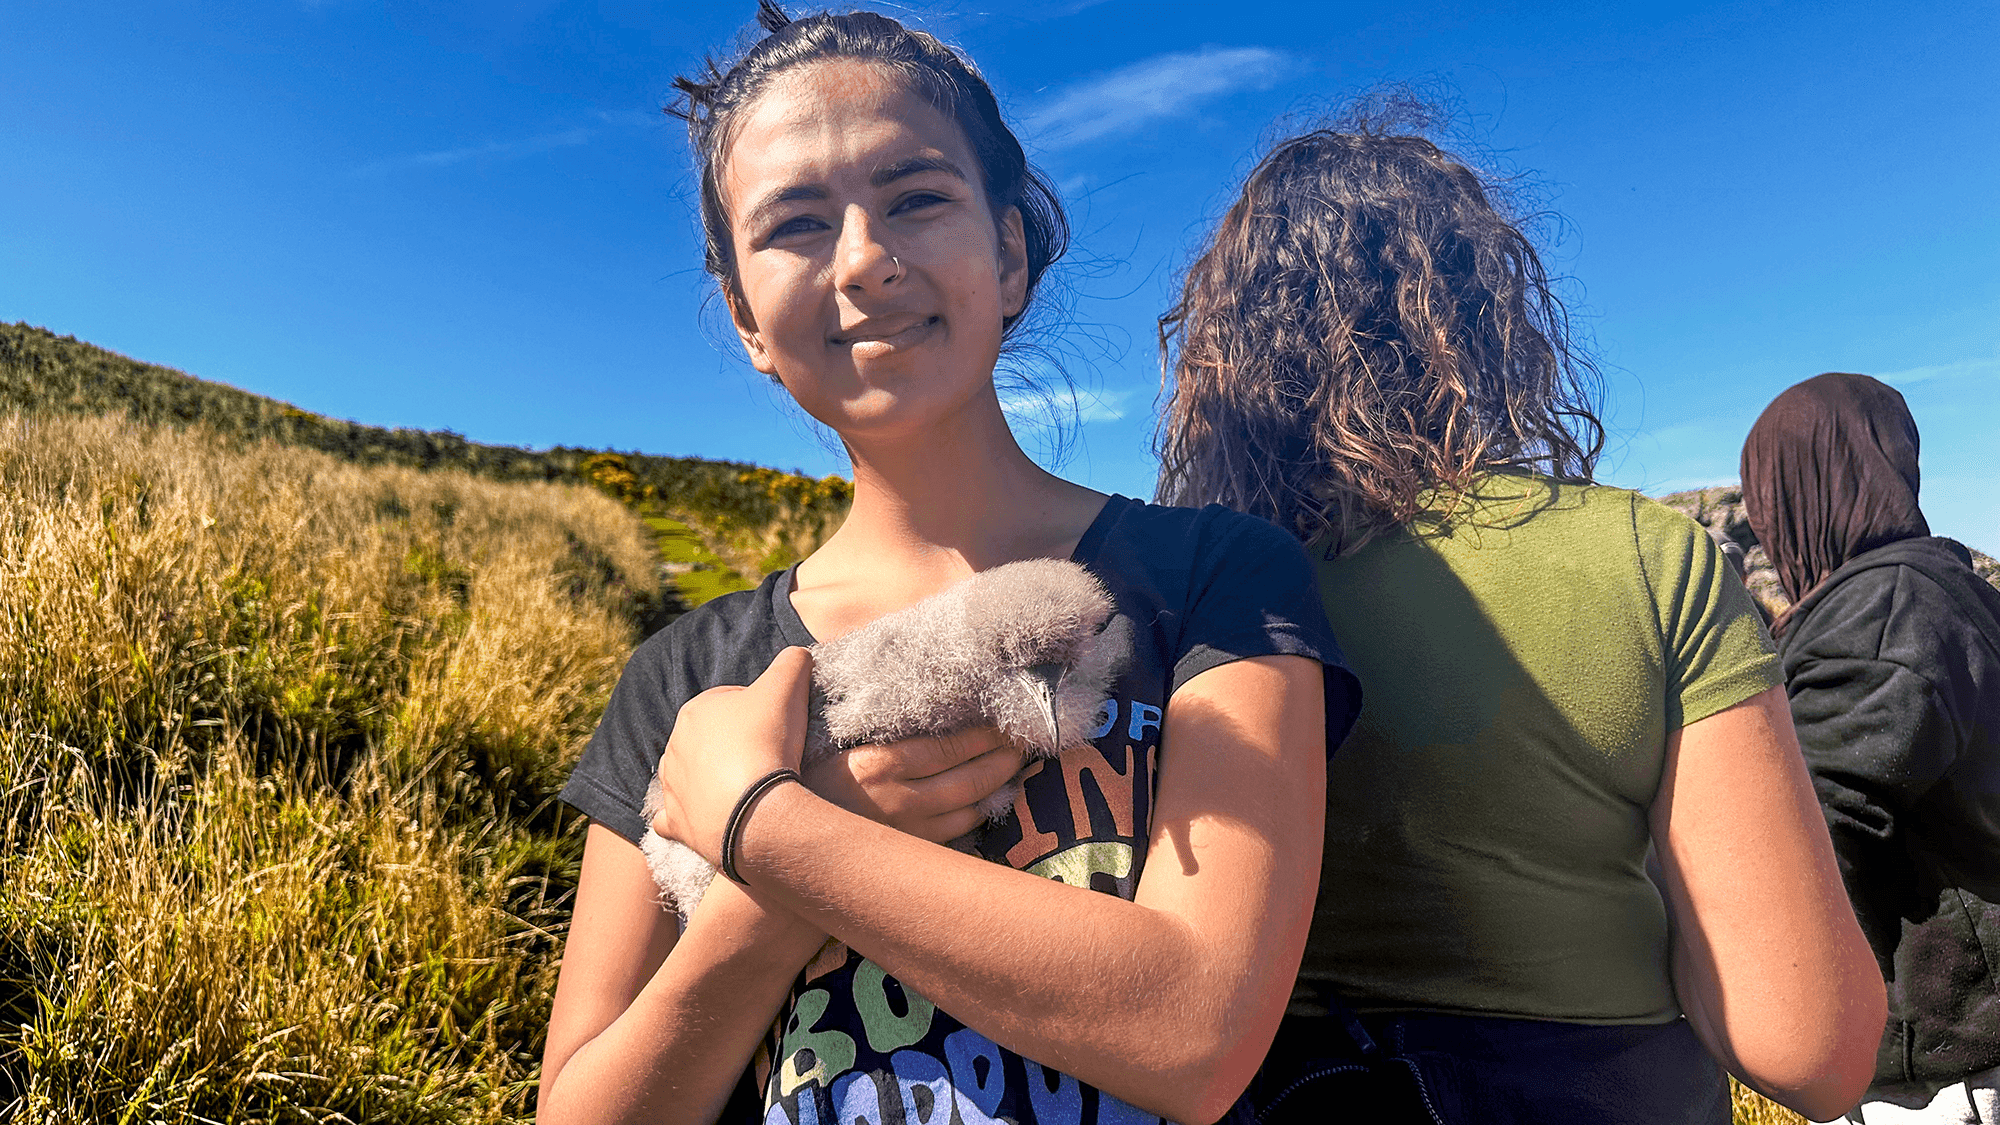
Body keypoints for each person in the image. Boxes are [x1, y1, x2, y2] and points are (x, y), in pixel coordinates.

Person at [535, 7, 1360, 1125]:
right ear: (744, 319)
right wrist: (782, 880)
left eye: (916, 198)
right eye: (795, 224)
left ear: (1008, 254)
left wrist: (767, 829)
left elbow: (1195, 1033)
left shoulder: (1218, 578)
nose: (864, 260)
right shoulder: (681, 681)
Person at [1153, 111, 1885, 1123]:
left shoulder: (1188, 594)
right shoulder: (1644, 558)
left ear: (1226, 359)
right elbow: (1809, 1048)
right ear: (1481, 316)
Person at [1741, 372, 2000, 1125]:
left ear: (1798, 492)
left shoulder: (1883, 611)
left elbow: (1808, 837)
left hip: (1947, 1073)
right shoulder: (1946, 592)